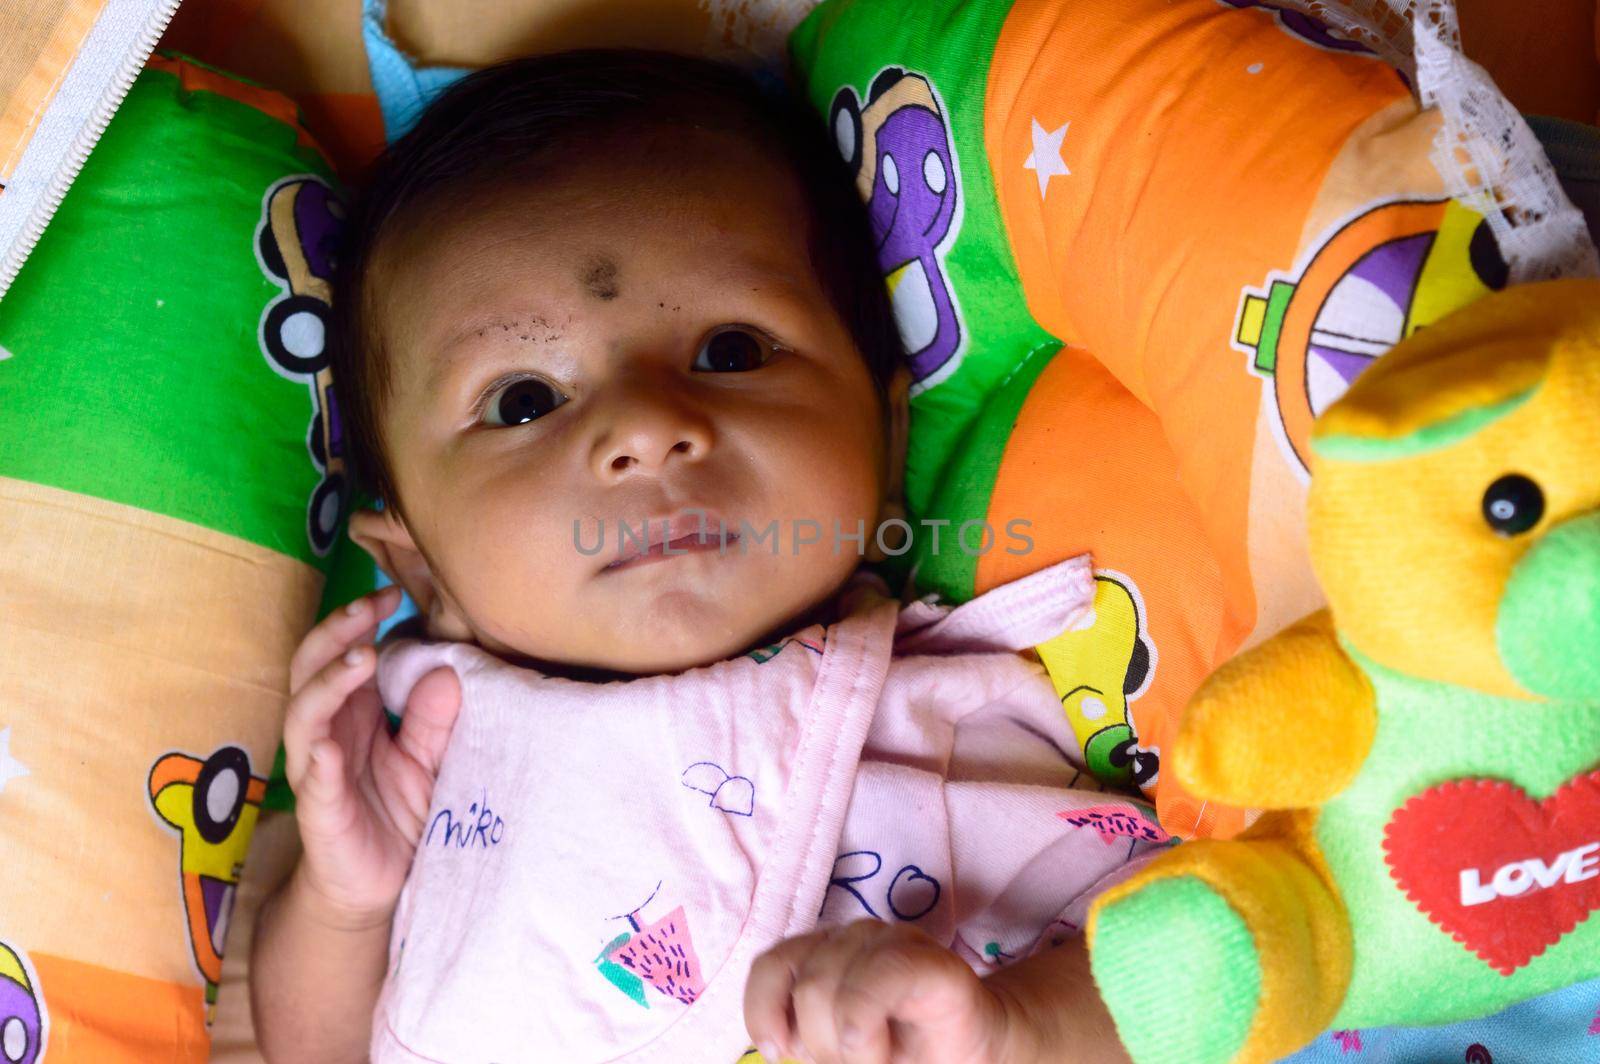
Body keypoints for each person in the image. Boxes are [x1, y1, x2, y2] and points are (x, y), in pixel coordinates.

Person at [250, 50, 1158, 1063]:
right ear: (418, 569)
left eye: (731, 350)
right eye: (523, 400)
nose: (644, 426)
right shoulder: (424, 759)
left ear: (885, 441)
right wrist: (342, 901)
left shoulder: (946, 718)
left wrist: (1014, 1024)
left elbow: (1178, 980)